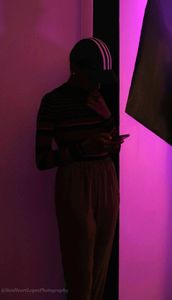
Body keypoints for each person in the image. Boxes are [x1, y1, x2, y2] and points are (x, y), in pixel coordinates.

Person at [35, 37, 126, 300]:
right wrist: (82, 149)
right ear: (75, 69)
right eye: (93, 76)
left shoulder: (98, 98)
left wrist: (108, 120)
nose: (98, 83)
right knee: (79, 266)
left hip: (106, 177)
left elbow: (114, 145)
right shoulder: (53, 101)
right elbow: (42, 160)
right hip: (74, 181)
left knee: (101, 262)